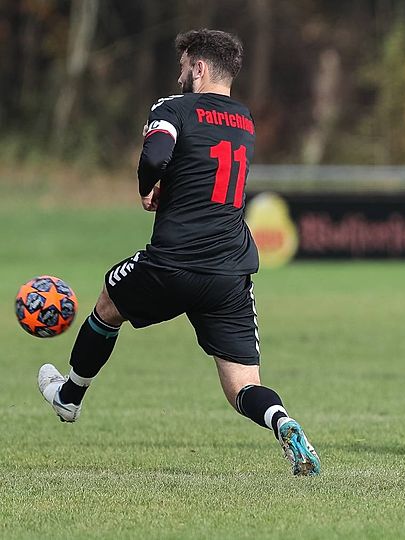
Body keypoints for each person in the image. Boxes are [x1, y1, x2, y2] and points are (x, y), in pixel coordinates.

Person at [35, 29, 321, 476]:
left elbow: (156, 156)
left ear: (199, 67)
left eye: (183, 66)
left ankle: (69, 397)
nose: (180, 75)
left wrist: (148, 186)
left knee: (109, 302)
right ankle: (281, 421)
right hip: (229, 272)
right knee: (242, 386)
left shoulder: (173, 108)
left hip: (174, 262)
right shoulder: (245, 121)